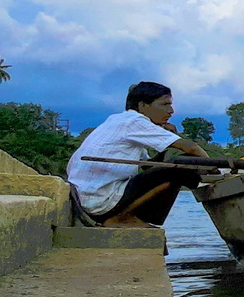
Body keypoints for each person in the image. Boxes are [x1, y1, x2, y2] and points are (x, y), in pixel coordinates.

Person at [67, 81, 207, 228]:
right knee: (181, 168)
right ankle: (122, 218)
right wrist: (216, 169)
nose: (171, 111)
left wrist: (165, 140)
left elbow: (147, 166)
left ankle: (127, 216)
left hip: (91, 197)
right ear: (143, 106)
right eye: (164, 104)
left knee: (178, 166)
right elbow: (191, 148)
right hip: (100, 199)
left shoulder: (120, 120)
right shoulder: (135, 121)